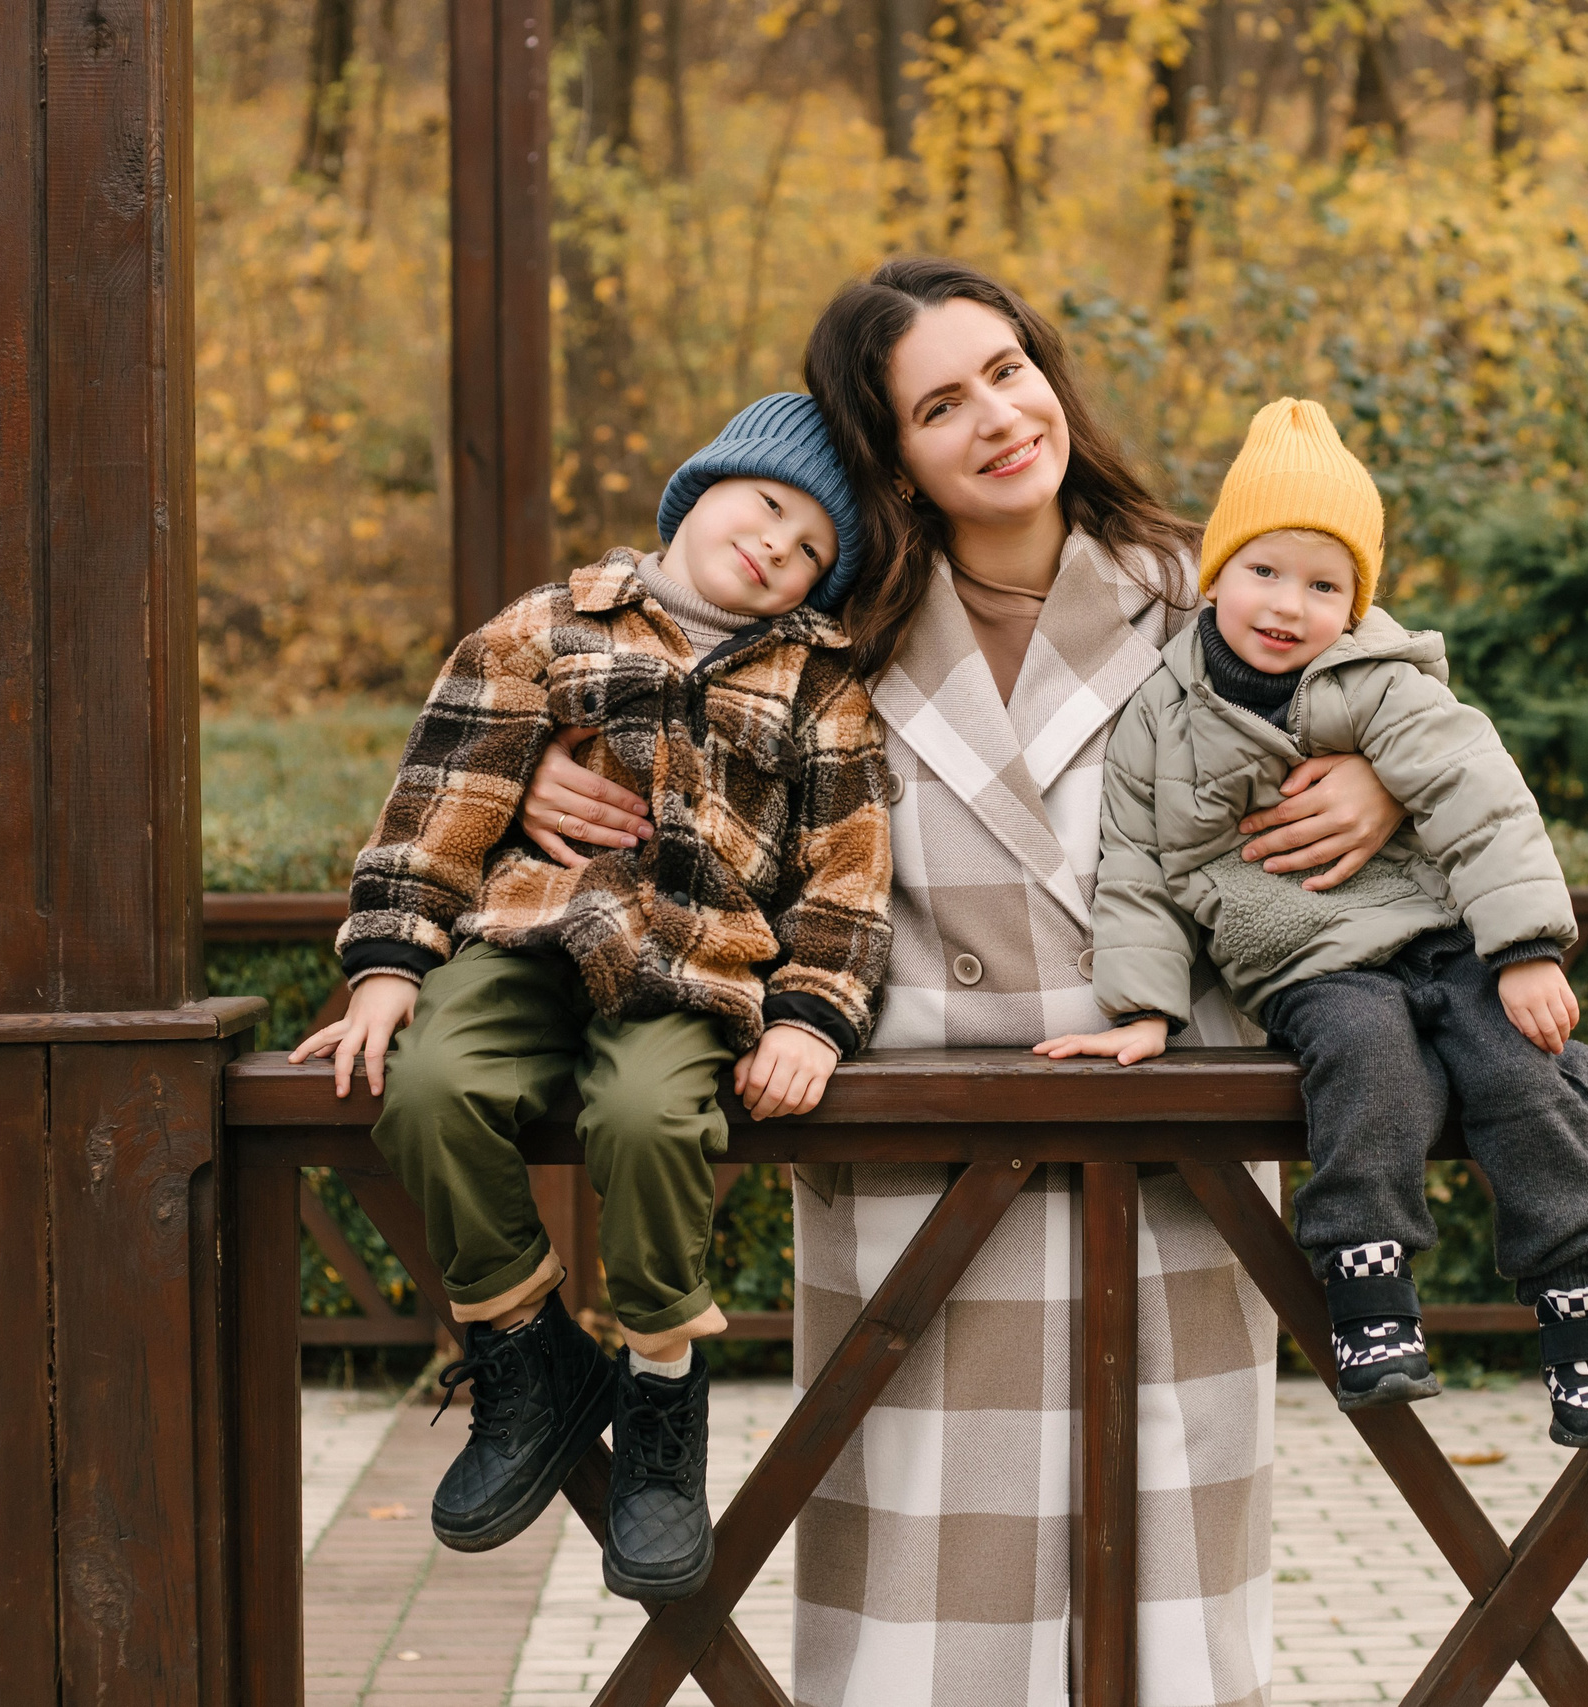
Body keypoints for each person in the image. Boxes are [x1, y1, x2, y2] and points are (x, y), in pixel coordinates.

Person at [515, 262, 1410, 1707]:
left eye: (1008, 367)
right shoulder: (821, 625)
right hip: (920, 1184)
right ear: (893, 459)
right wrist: (548, 776)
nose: (1000, 415)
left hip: (1169, 1167)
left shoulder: (1206, 585)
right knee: (928, 1643)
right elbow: (598, 667)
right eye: (941, 403)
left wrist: (1374, 780)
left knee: (1165, 1630)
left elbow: (1432, 722)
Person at [289, 394, 893, 1601]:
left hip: (692, 969)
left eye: (812, 550)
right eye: (767, 507)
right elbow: (443, 793)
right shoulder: (547, 629)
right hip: (523, 940)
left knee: (646, 1120)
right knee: (429, 1086)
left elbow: (848, 867)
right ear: (697, 488)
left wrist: (814, 1016)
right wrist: (388, 966)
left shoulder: (819, 687)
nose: (778, 545)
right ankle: (525, 1349)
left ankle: (662, 1398)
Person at [1034, 397, 1588, 1448]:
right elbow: (1131, 861)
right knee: (1369, 1067)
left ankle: (1580, 1308)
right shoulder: (1159, 715)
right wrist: (1143, 1005)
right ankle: (1370, 1297)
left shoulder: (1378, 683)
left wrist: (1526, 948)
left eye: (1325, 586)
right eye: (1265, 571)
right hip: (1306, 954)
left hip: (1442, 934)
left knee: (1523, 1072)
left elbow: (1474, 792)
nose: (1288, 605)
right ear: (1216, 572)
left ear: (1356, 602)